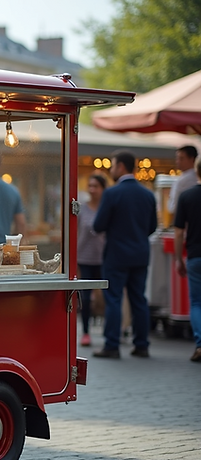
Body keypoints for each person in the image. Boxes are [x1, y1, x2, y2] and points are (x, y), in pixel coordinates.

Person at [93, 150, 157, 359]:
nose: (111, 170)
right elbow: (152, 227)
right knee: (139, 299)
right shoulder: (148, 194)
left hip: (116, 255)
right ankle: (142, 344)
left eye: (112, 165)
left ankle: (112, 345)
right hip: (140, 254)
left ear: (121, 167)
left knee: (114, 299)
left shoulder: (112, 193)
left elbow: (99, 224)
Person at [173, 155, 201, 361]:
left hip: (195, 255)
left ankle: (200, 344)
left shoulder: (187, 196)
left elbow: (179, 232)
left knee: (197, 303)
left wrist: (178, 259)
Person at [77, 173, 108, 347]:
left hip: (103, 258)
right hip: (84, 258)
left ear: (103, 189)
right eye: (90, 186)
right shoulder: (82, 209)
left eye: (95, 186)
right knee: (86, 298)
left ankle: (109, 331)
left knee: (107, 297)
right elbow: (75, 234)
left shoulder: (106, 208)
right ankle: (86, 332)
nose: (92, 189)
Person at [167, 146, 198, 219]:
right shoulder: (184, 178)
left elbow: (174, 207)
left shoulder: (185, 180)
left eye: (181, 158)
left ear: (192, 159)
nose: (177, 161)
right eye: (177, 158)